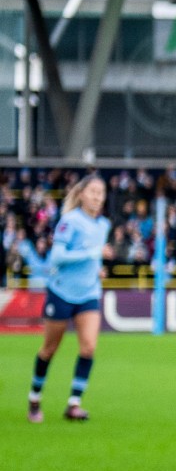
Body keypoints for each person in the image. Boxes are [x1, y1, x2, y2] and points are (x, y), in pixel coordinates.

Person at [30, 174, 111, 423]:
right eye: (93, 192)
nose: (97, 197)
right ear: (82, 194)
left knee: (88, 347)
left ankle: (74, 404)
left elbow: (91, 258)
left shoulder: (103, 225)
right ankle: (35, 397)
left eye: (101, 193)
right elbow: (57, 257)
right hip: (62, 292)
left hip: (88, 293)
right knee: (50, 349)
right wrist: (93, 253)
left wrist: (97, 268)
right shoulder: (70, 221)